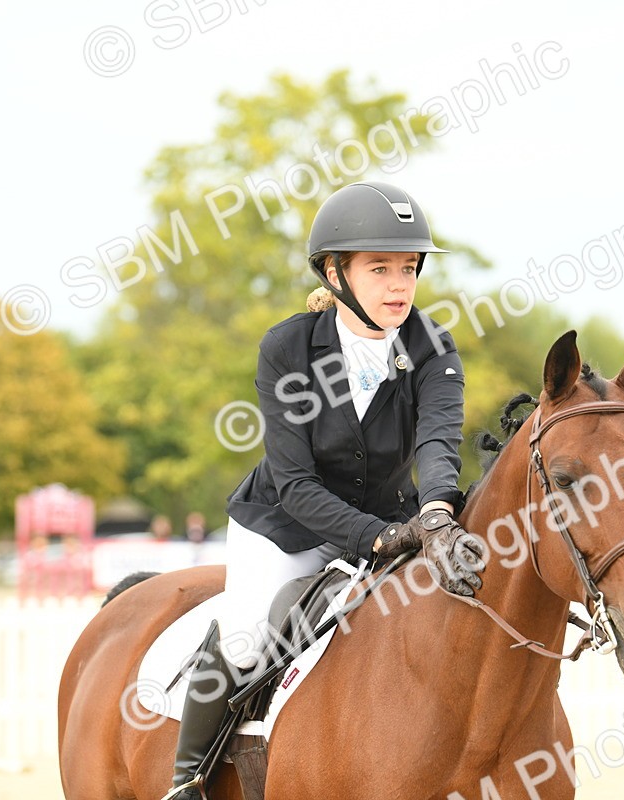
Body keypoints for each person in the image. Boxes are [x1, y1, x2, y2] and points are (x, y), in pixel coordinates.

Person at [166, 182, 485, 799]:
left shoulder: (432, 348)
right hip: (285, 526)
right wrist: (387, 536)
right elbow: (294, 484)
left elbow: (438, 446)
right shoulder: (288, 348)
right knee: (246, 634)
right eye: (381, 269)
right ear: (335, 272)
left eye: (410, 269)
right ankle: (186, 781)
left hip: (398, 525)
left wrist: (438, 515)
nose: (400, 286)